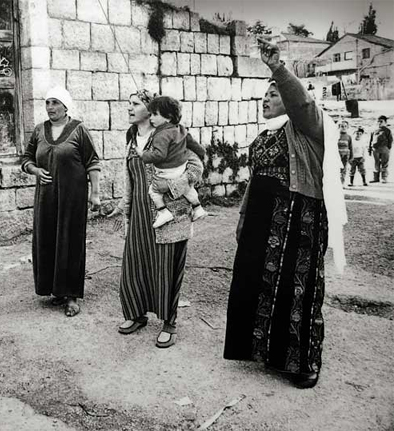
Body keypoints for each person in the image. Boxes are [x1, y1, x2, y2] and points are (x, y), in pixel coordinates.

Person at [223, 38, 347, 389]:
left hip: (298, 219)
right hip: (263, 221)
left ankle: (303, 362)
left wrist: (278, 69)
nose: (267, 99)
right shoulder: (262, 136)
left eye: (274, 95)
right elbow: (254, 183)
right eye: (264, 96)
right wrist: (244, 220)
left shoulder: (307, 126)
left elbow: (303, 104)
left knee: (298, 287)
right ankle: (265, 351)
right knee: (258, 283)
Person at [109, 89, 204, 349]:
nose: (129, 108)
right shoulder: (132, 138)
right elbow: (130, 177)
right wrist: (123, 206)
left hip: (170, 216)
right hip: (140, 216)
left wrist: (173, 187)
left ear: (151, 112)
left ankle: (169, 323)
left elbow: (197, 166)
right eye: (129, 103)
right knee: (135, 265)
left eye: (135, 104)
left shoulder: (173, 134)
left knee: (166, 269)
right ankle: (137, 313)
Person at [21, 86, 101, 317]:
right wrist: (35, 170)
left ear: (65, 106)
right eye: (47, 103)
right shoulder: (39, 130)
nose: (50, 107)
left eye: (55, 103)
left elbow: (92, 162)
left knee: (70, 242)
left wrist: (94, 194)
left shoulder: (78, 130)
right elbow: (26, 159)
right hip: (45, 197)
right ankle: (55, 290)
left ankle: (71, 296)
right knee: (47, 240)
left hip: (72, 198)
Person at [141, 96, 207, 228]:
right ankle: (198, 208)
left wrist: (144, 156)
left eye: (154, 114)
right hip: (180, 169)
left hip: (167, 173)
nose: (151, 118)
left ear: (168, 117)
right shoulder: (180, 129)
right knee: (188, 189)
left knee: (153, 191)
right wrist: (202, 153)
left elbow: (159, 155)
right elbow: (194, 144)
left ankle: (163, 212)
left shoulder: (161, 134)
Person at [369, 115, 392, 183]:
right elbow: (371, 140)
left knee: (384, 163)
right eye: (378, 121)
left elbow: (390, 140)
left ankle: (384, 178)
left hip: (384, 149)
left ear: (385, 122)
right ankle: (376, 178)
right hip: (375, 150)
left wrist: (388, 148)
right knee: (376, 163)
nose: (379, 123)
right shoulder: (374, 130)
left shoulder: (387, 131)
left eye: (381, 121)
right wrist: (370, 149)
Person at [337, 120, 353, 187]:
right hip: (337, 155)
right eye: (342, 126)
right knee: (337, 169)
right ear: (339, 127)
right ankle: (336, 183)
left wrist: (351, 157)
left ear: (347, 127)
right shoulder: (336, 135)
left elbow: (350, 147)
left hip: (345, 155)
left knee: (344, 169)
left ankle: (342, 183)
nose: (343, 127)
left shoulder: (348, 137)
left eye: (345, 126)